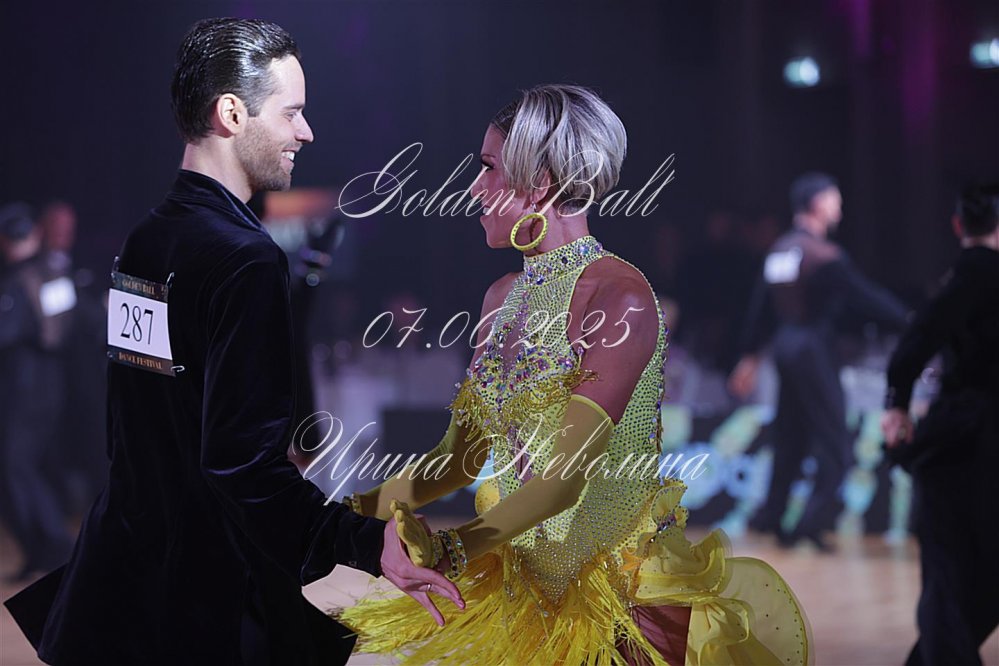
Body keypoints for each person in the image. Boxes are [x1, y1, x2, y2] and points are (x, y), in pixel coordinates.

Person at [3, 18, 461, 666]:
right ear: (232, 113)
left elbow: (134, 431)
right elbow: (241, 466)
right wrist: (365, 541)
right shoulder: (245, 259)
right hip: (202, 606)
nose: (306, 132)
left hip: (124, 583)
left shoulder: (145, 240)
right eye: (291, 112)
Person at [338, 85, 811, 665]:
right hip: (526, 594)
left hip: (626, 598)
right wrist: (341, 515)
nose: (474, 188)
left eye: (488, 168)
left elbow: (560, 482)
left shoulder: (619, 297)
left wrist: (451, 550)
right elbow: (457, 460)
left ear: (539, 182)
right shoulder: (500, 300)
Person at [729, 172, 908, 552]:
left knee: (790, 436)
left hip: (785, 347)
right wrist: (911, 321)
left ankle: (773, 517)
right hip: (812, 348)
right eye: (834, 198)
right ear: (817, 204)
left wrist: (750, 355)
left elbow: (762, 307)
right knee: (835, 441)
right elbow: (864, 296)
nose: (839, 205)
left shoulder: (782, 250)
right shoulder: (823, 256)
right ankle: (810, 523)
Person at [881, 184, 999, 666]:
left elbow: (919, 335)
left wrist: (897, 402)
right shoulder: (980, 273)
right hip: (976, 442)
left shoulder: (970, 274)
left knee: (949, 574)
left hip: (965, 443)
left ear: (957, 226)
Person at [0, 203, 75, 583]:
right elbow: (63, 326)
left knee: (17, 467)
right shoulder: (51, 274)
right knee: (28, 466)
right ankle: (42, 550)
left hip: (27, 388)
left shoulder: (22, 280)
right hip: (48, 384)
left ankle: (54, 546)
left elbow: (16, 331)